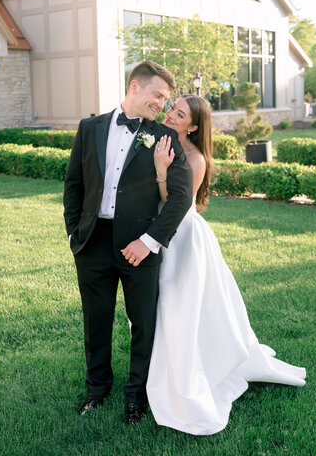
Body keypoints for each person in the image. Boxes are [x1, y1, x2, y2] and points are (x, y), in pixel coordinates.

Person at [147, 94, 306, 435]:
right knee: (161, 305)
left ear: (193, 126)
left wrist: (161, 171)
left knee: (180, 306)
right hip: (153, 231)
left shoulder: (196, 158)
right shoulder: (159, 136)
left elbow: (175, 204)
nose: (171, 114)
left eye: (180, 114)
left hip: (182, 237)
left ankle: (188, 371)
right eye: (171, 108)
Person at [63, 61, 193, 425]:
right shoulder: (89, 128)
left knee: (144, 324)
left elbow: (181, 198)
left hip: (141, 245)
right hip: (93, 242)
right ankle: (97, 390)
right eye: (158, 96)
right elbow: (74, 184)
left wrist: (149, 241)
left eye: (167, 100)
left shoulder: (164, 138)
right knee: (96, 319)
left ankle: (137, 396)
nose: (162, 106)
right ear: (134, 86)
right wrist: (75, 232)